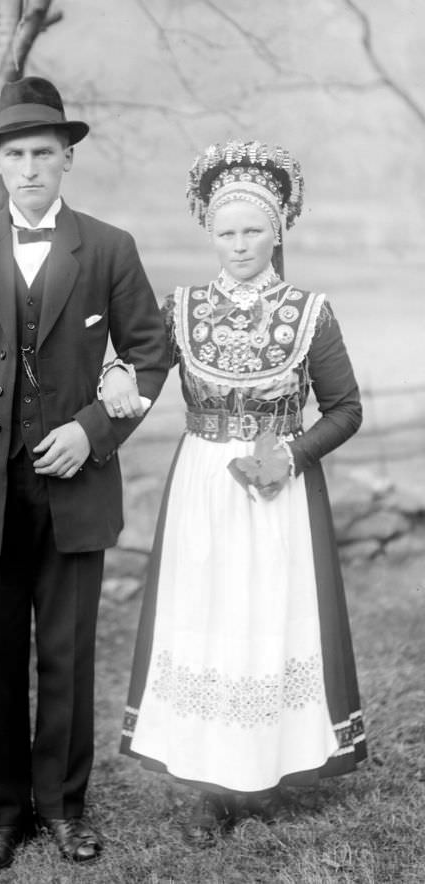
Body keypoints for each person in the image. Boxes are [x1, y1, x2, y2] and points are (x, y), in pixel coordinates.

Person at [0, 76, 169, 870]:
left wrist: (92, 432)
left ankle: (63, 808)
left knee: (65, 651)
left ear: (67, 161)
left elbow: (153, 357)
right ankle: (2, 815)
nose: (29, 169)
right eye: (15, 155)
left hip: (73, 489)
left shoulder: (110, 247)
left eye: (44, 155)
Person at [101, 140, 367, 841]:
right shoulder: (181, 306)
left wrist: (295, 452)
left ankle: (268, 770)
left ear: (277, 230)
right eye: (227, 231)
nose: (240, 244)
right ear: (209, 233)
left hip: (279, 491)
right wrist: (116, 377)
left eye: (253, 229)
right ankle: (211, 785)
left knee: (270, 618)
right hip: (204, 488)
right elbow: (141, 377)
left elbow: (346, 409)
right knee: (207, 618)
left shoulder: (311, 312)